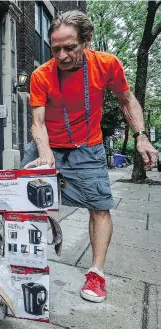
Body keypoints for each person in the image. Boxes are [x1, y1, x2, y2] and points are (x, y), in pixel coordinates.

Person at [21, 10, 158, 303]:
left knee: (99, 207)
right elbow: (37, 122)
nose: (62, 55)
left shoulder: (107, 65)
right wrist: (45, 154)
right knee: (22, 203)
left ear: (87, 41)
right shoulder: (41, 75)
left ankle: (96, 274)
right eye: (55, 48)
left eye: (70, 47)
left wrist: (141, 137)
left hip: (88, 146)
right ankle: (23, 263)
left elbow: (126, 99)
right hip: (49, 144)